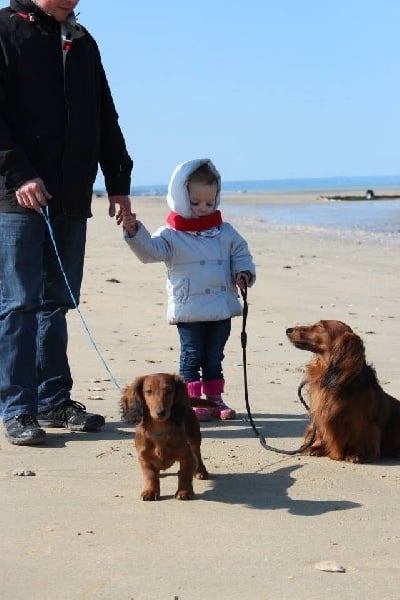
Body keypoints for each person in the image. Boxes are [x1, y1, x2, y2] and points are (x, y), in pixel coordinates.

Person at [0, 0, 133, 445]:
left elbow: (105, 115)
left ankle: (53, 399)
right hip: (16, 196)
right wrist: (19, 173)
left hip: (72, 195)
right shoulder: (5, 29)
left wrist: (118, 181)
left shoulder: (83, 41)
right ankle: (18, 409)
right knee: (20, 303)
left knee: (58, 301)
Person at [122, 158, 256, 421]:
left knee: (214, 356)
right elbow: (150, 251)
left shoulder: (225, 232)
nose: (203, 209)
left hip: (220, 306)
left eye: (209, 203)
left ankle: (214, 399)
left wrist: (243, 273)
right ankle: (191, 402)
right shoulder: (172, 234)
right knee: (192, 356)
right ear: (180, 198)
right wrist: (134, 231)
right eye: (195, 203)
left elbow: (241, 252)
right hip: (190, 307)